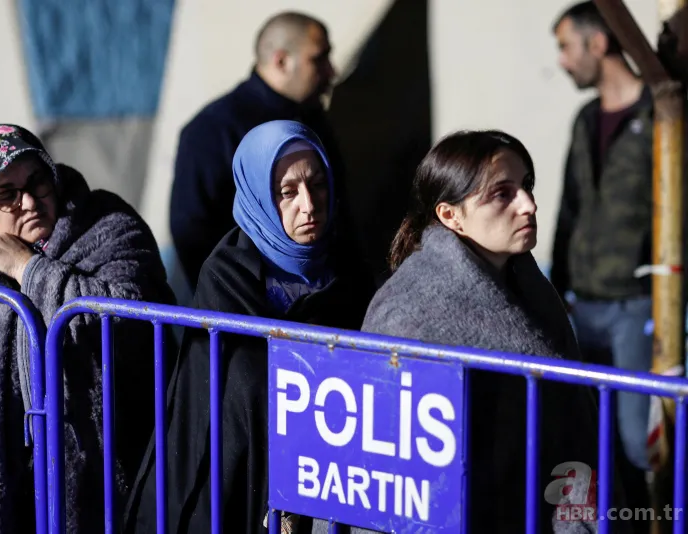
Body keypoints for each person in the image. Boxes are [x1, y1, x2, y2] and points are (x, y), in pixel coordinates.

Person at [329, 130, 621, 533]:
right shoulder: (410, 311)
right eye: (503, 193)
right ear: (451, 215)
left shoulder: (529, 284)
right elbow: (387, 481)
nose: (529, 204)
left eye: (526, 186)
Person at [0, 124, 176, 533]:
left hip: (103, 469)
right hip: (4, 471)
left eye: (37, 182)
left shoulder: (106, 224)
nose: (29, 202)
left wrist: (27, 268)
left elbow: (127, 315)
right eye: (6, 195)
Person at [125, 121, 375, 534]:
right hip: (232, 494)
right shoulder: (229, 279)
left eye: (318, 184)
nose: (309, 205)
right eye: (287, 192)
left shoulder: (350, 269)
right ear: (260, 195)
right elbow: (238, 396)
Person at [551, 2, 654, 523]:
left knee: (640, 440)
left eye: (566, 48)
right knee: (587, 436)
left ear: (598, 44)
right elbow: (569, 211)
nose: (562, 61)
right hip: (582, 304)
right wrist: (557, 294)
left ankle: (657, 519)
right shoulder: (585, 118)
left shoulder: (663, 114)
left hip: (638, 306)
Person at [169, 11, 344, 292]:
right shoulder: (213, 129)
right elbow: (191, 230)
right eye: (318, 59)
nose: (331, 71)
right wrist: (235, 300)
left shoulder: (312, 121)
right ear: (282, 61)